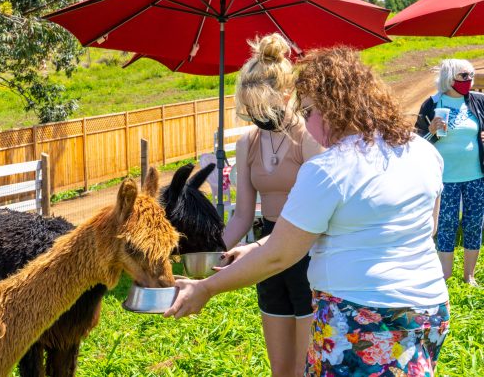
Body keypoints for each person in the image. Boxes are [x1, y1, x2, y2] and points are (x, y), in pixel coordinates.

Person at [165, 47, 450, 376]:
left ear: (336, 107)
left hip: (363, 317)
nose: (309, 125)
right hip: (428, 311)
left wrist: (205, 288)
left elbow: (279, 255)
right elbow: (428, 228)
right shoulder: (424, 152)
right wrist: (255, 247)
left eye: (311, 111)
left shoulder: (330, 168)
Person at [225, 33, 324, 377]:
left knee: (306, 368)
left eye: (261, 108)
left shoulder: (308, 138)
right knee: (280, 369)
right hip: (267, 250)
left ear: (286, 95)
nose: (254, 116)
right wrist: (210, 254)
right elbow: (240, 216)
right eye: (249, 109)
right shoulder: (248, 142)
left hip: (306, 248)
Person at [415, 58, 484, 286]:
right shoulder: (432, 104)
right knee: (446, 224)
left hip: (476, 176)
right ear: (449, 77)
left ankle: (469, 275)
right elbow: (416, 144)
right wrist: (432, 132)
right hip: (445, 179)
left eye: (471, 75)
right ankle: (445, 275)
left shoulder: (478, 101)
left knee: (474, 223)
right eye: (464, 76)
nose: (469, 80)